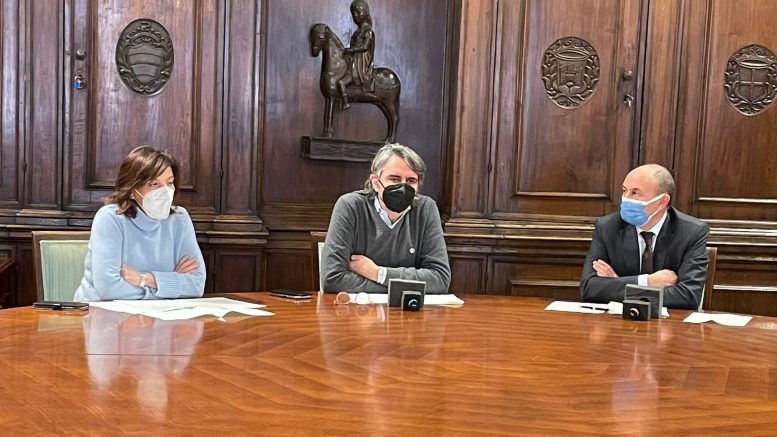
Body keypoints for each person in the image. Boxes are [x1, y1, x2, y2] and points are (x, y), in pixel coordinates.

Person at [74, 146, 206, 302]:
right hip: (101, 311)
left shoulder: (179, 218)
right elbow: (108, 289)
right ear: (131, 190)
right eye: (154, 184)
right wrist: (170, 284)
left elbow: (196, 285)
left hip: (158, 313)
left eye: (170, 183)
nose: (165, 191)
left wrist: (143, 279)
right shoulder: (110, 218)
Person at [321, 143, 451, 293]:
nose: (403, 187)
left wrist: (378, 274)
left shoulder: (426, 209)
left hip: (407, 307)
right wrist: (405, 286)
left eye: (411, 181)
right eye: (394, 179)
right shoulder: (350, 206)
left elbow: (440, 279)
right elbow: (332, 279)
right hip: (360, 307)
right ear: (376, 183)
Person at [580, 164, 709, 309]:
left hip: (669, 322)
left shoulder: (691, 232)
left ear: (662, 201)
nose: (625, 199)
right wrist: (647, 282)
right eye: (624, 191)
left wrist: (617, 283)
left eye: (635, 193)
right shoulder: (608, 227)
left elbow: (688, 296)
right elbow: (589, 288)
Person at [337, 0, 375, 109]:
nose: (355, 15)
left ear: (366, 12)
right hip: (354, 61)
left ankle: (346, 102)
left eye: (358, 11)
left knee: (342, 82)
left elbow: (365, 47)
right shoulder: (357, 32)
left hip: (361, 62)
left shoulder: (368, 32)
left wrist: (351, 50)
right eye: (353, 12)